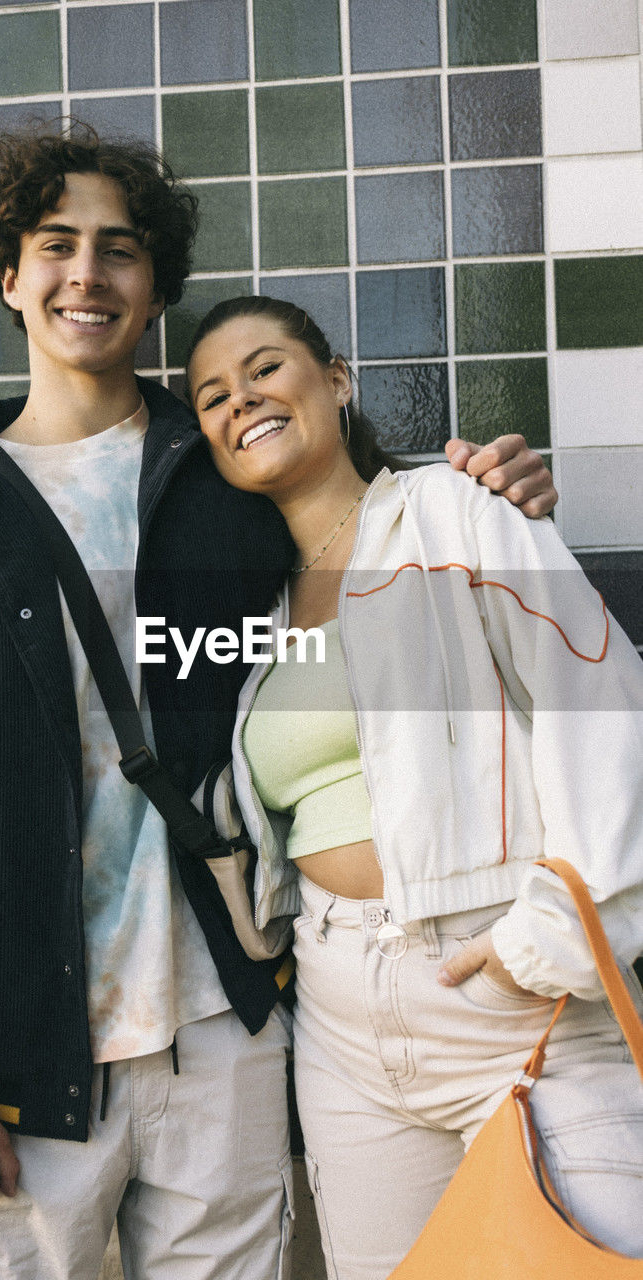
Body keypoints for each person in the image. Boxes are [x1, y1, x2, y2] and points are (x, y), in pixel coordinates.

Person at [0, 125, 558, 1280]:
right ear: (9, 275)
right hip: (23, 1061)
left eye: (119, 249)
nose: (89, 273)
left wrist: (487, 491)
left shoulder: (222, 471)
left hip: (223, 1038)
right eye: (57, 245)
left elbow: (367, 524)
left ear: (155, 284)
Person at [186, 293, 643, 1280]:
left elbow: (603, 706)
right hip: (341, 1022)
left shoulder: (455, 508)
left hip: (509, 994)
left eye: (264, 368)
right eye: (213, 395)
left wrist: (547, 934)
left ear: (336, 380)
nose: (240, 400)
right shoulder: (258, 610)